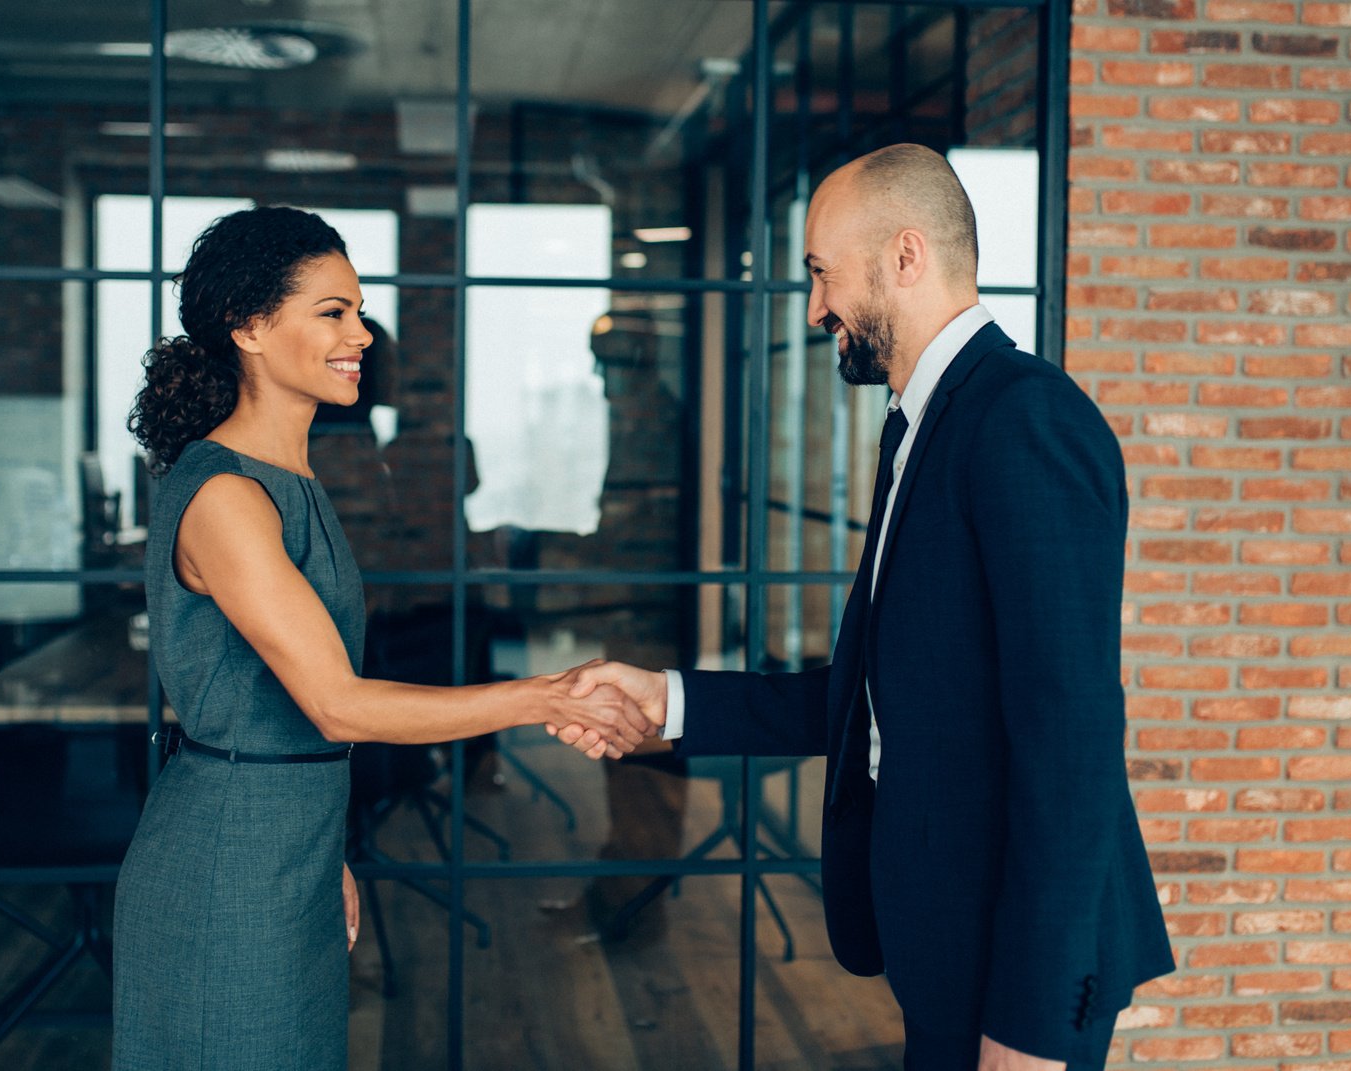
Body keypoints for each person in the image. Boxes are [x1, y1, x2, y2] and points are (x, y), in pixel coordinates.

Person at [555, 144, 1173, 1071]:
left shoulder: (1024, 421)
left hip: (1017, 968)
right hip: (944, 935)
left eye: (820, 273)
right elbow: (883, 696)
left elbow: (1071, 742)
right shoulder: (917, 426)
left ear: (906, 256)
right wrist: (671, 703)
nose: (814, 308)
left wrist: (1034, 1022)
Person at [111, 206, 648, 1071]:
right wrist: (545, 694)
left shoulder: (292, 481)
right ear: (249, 326)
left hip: (289, 849)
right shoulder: (227, 498)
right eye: (332, 312)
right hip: (225, 868)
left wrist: (327, 849)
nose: (361, 333)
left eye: (357, 310)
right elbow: (335, 704)